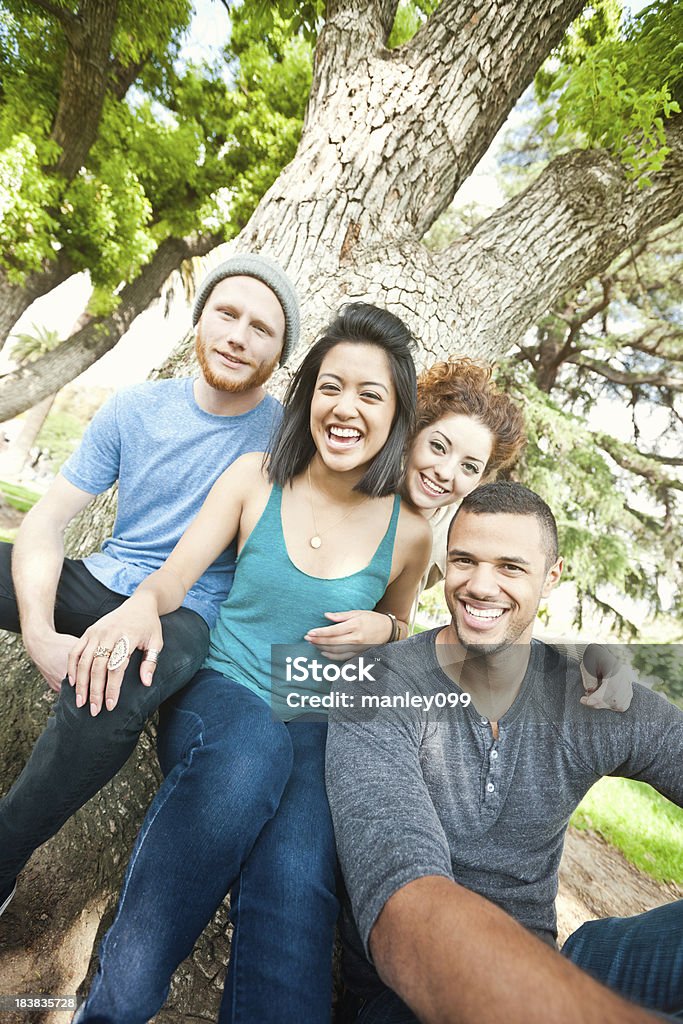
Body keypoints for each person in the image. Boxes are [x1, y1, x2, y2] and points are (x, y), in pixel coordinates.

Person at [70, 303, 432, 1023]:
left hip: (317, 722)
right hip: (222, 690)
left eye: (371, 394)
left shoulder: (410, 533)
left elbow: (401, 626)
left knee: (298, 884)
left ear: (395, 416)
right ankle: (113, 1008)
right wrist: (144, 604)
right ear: (307, 397)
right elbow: (174, 579)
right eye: (332, 386)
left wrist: (387, 630)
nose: (346, 408)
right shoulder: (254, 477)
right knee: (248, 754)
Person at [0, 252, 300, 918]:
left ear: (280, 354)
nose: (237, 335)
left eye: (261, 328)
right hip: (105, 577)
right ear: (200, 320)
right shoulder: (135, 408)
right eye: (226, 313)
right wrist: (40, 632)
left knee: (105, 690)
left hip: (187, 613)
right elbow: (46, 521)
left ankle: (3, 858)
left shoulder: (288, 440)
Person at [326, 481, 683, 1024]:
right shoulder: (376, 687)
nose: (481, 585)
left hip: (557, 968)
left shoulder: (588, 690)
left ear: (552, 575)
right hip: (405, 997)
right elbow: (406, 908)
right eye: (464, 560)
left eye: (511, 567)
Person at [308, 357, 631, 709]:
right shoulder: (349, 475)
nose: (446, 472)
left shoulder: (454, 529)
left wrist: (588, 655)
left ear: (481, 478)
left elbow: (503, 611)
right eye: (438, 446)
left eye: (469, 466)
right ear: (411, 436)